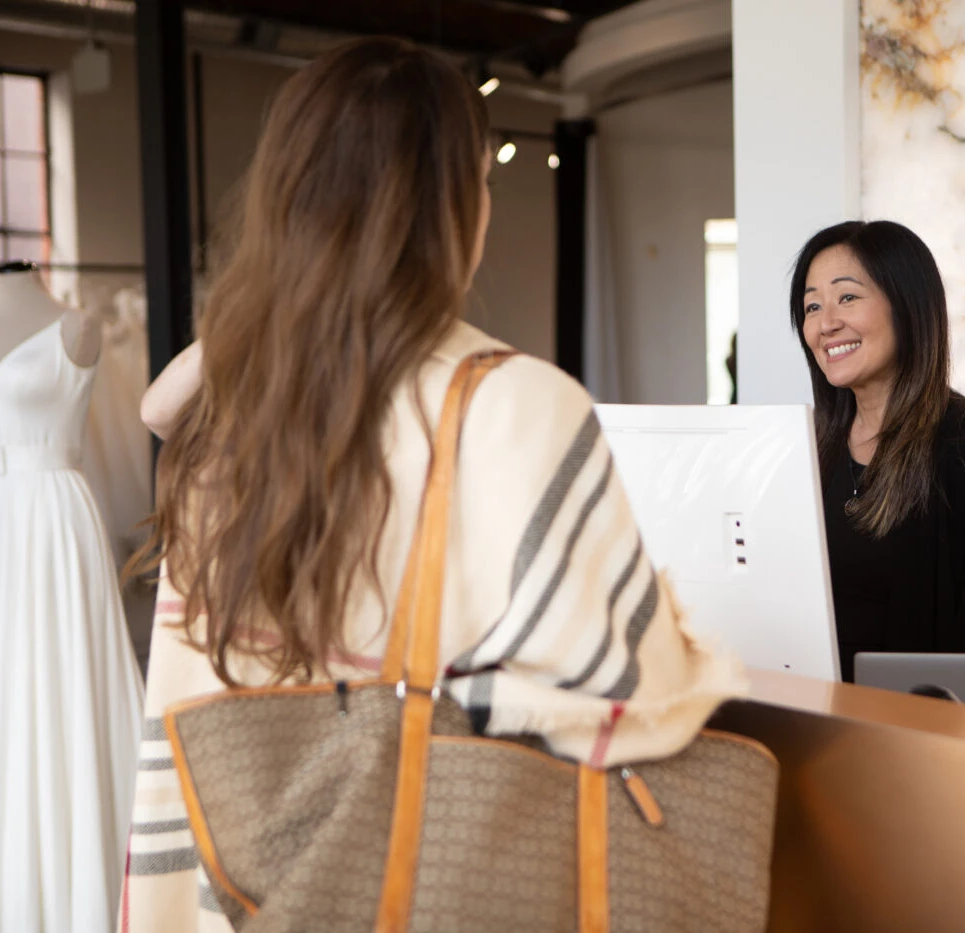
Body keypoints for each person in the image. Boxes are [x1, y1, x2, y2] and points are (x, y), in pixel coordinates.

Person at [121, 37, 744, 931]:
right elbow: (625, 696)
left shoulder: (226, 417)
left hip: (235, 880)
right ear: (456, 204)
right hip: (421, 879)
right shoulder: (515, 402)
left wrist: (278, 297)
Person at [789, 220, 965, 681]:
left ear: (906, 305)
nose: (826, 324)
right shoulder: (806, 445)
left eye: (847, 297)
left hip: (915, 732)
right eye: (812, 306)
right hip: (812, 721)